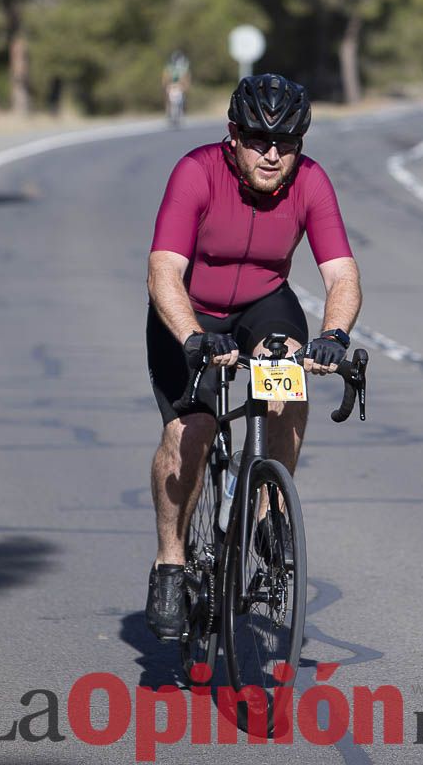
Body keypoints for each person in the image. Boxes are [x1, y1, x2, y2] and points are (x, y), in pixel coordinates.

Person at [144, 72, 361, 639]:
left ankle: (268, 506)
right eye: (259, 141)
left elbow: (341, 275)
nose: (272, 155)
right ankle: (170, 562)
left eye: (286, 143)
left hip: (263, 304)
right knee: (191, 430)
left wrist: (333, 337)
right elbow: (164, 270)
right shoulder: (197, 171)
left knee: (286, 373)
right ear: (232, 136)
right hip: (190, 309)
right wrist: (192, 336)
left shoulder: (311, 182)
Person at [161, 50, 190, 126]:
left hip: (179, 86)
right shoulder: (169, 67)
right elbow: (165, 78)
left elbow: (185, 78)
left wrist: (185, 86)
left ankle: (183, 112)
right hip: (171, 86)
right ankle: (168, 114)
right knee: (167, 99)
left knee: (184, 98)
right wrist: (166, 85)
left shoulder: (184, 67)